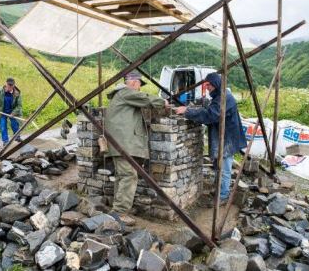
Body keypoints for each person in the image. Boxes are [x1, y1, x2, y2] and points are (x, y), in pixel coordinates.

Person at [104, 71, 169, 225]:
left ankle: (118, 208)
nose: (139, 88)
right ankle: (120, 212)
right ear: (133, 82)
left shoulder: (120, 95)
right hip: (123, 143)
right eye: (140, 84)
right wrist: (163, 102)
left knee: (122, 175)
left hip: (121, 143)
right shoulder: (125, 92)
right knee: (129, 175)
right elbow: (144, 98)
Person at [174, 72, 247, 204]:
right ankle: (219, 190)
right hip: (223, 136)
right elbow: (211, 109)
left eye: (208, 85)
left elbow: (211, 115)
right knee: (218, 166)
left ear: (215, 84)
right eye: (206, 85)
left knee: (224, 168)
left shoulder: (224, 98)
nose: (207, 88)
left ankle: (223, 196)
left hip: (227, 139)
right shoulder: (219, 96)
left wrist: (187, 111)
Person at [0, 77, 23, 146]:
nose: (10, 87)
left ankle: (17, 137)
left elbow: (19, 106)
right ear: (6, 84)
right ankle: (5, 141)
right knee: (3, 126)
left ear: (14, 85)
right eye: (8, 85)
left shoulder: (17, 93)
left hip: (12, 111)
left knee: (15, 124)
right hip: (1, 111)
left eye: (11, 85)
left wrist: (13, 113)